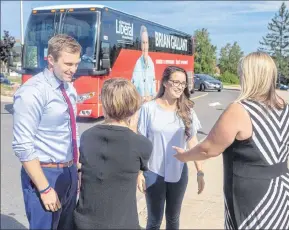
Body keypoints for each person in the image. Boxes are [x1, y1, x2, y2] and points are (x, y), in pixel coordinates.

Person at [173, 52, 289, 230]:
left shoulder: (240, 110)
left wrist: (185, 156)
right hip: (282, 189)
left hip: (255, 197)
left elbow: (208, 149)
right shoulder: (283, 106)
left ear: (249, 76)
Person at [12, 34, 82, 230]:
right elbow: (23, 146)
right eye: (68, 64)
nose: (73, 69)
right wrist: (44, 188)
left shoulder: (68, 87)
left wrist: (76, 169)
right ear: (50, 60)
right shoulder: (32, 92)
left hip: (68, 172)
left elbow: (69, 132)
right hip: (44, 173)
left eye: (76, 63)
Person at [74, 78, 153, 229]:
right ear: (133, 106)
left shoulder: (87, 136)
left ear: (105, 104)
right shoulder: (142, 144)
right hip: (121, 223)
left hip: (84, 221)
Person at [137, 66, 205, 229]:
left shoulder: (187, 110)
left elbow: (192, 141)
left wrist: (200, 171)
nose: (180, 86)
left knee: (173, 219)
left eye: (183, 83)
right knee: (154, 220)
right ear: (165, 83)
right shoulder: (149, 109)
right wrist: (139, 173)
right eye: (176, 82)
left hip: (179, 172)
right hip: (153, 173)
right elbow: (140, 142)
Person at [132, 25, 156, 102]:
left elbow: (153, 82)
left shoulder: (151, 63)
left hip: (150, 102)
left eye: (146, 43)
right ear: (141, 45)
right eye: (143, 43)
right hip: (140, 102)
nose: (145, 46)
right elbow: (134, 84)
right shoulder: (138, 63)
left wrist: (152, 97)